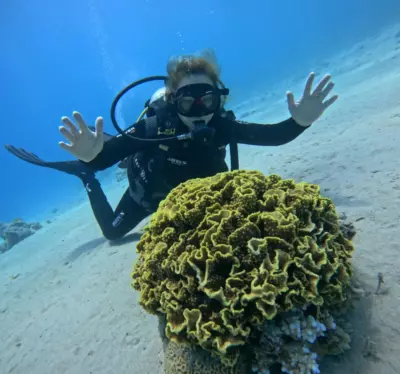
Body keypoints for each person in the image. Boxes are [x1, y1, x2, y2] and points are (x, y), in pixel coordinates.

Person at [5, 51, 338, 241]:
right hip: (148, 196)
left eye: (207, 100)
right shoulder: (154, 126)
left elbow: (273, 136)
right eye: (188, 102)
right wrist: (92, 159)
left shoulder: (221, 126)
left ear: (219, 101)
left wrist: (299, 122)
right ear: (174, 102)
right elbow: (106, 158)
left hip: (199, 200)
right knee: (112, 234)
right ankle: (85, 180)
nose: (199, 111)